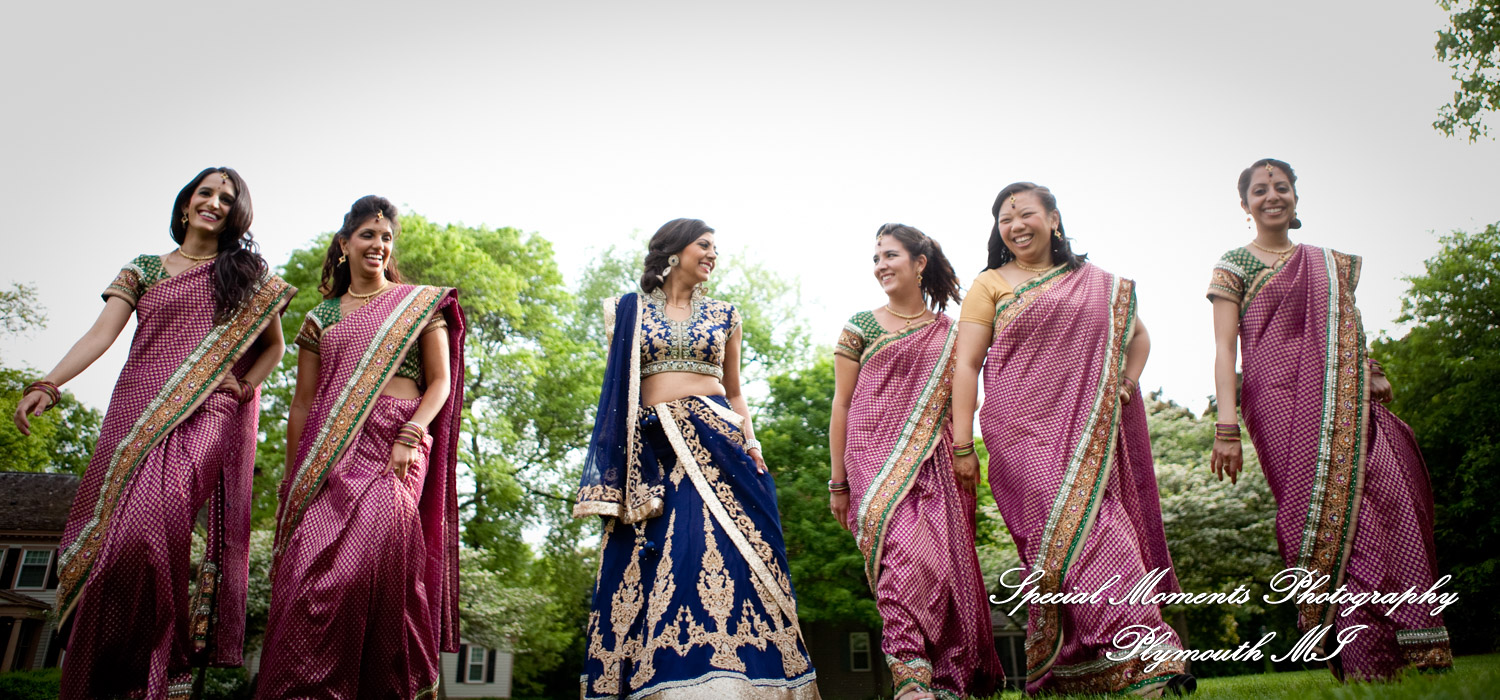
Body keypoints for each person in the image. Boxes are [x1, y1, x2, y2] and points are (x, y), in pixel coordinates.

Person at [10, 167, 293, 699]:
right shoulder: (143, 268)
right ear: (185, 204)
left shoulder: (247, 274)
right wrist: (49, 383)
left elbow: (274, 345)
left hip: (205, 413)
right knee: (113, 547)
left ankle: (162, 669)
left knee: (146, 534)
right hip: (134, 409)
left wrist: (242, 387)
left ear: (236, 214)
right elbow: (100, 334)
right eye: (205, 192)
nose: (214, 202)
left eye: (227, 198)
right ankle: (114, 679)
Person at [1206, 159, 1452, 681]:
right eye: (1259, 190)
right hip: (1277, 403)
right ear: (1245, 204)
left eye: (1281, 187)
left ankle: (1410, 644)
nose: (1272, 196)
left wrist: (1370, 369)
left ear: (1295, 197)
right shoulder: (1233, 265)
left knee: (1387, 503)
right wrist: (1226, 429)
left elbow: (1349, 332)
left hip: (1343, 397)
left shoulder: (1326, 263)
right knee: (1322, 519)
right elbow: (1225, 349)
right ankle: (1366, 661)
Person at [951, 182, 1192, 696]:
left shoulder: (1098, 283)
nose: (1015, 225)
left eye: (1025, 213)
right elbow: (967, 365)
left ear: (1054, 219)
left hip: (1087, 434)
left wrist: (1125, 385)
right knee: (1073, 537)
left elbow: (1139, 337)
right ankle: (1137, 656)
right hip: (1020, 432)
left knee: (1101, 533)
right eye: (1004, 219)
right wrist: (962, 444)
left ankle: (1102, 663)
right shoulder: (989, 284)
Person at [574, 218, 818, 699]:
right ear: (674, 251)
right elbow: (618, 393)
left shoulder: (726, 314)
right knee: (666, 563)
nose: (712, 255)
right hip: (655, 456)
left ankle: (740, 684)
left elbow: (735, 391)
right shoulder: (627, 311)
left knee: (732, 561)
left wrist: (753, 444)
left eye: (715, 249)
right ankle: (664, 685)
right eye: (704, 245)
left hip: (721, 448)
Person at [256, 195, 466, 698]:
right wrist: (293, 480)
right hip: (329, 453)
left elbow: (441, 382)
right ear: (344, 243)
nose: (378, 244)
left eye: (386, 237)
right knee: (305, 579)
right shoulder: (321, 318)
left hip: (397, 445)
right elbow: (303, 404)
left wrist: (411, 434)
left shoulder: (418, 305)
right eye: (368, 235)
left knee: (366, 570)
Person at [829, 224, 1003, 700]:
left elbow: (968, 396)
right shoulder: (860, 327)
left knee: (938, 567)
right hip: (870, 461)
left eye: (890, 255)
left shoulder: (952, 333)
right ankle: (910, 676)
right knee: (901, 560)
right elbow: (841, 404)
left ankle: (946, 677)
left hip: (936, 461)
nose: (880, 265)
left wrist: (966, 449)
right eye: (876, 258)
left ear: (919, 263)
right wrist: (837, 481)